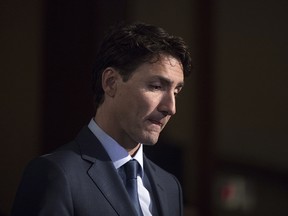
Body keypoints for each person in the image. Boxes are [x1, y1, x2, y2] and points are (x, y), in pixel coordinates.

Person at [11, 22, 192, 216]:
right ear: (110, 83)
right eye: (156, 86)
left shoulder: (170, 186)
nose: (171, 108)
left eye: (176, 92)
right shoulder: (54, 174)